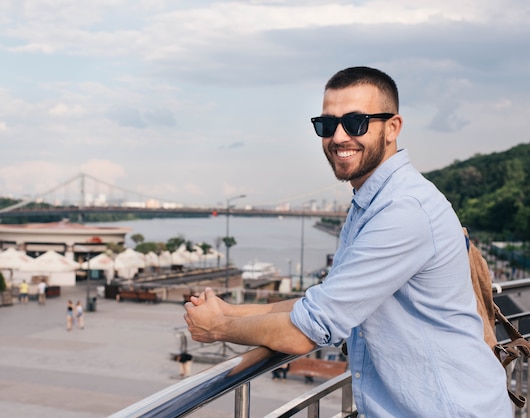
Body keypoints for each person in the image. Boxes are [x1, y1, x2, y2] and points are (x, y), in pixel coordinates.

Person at [184, 67, 512, 417]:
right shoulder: (369, 202)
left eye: (356, 122)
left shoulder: (403, 210)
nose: (339, 137)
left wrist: (219, 326)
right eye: (327, 125)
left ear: (392, 128)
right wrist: (229, 309)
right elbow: (324, 302)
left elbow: (307, 330)